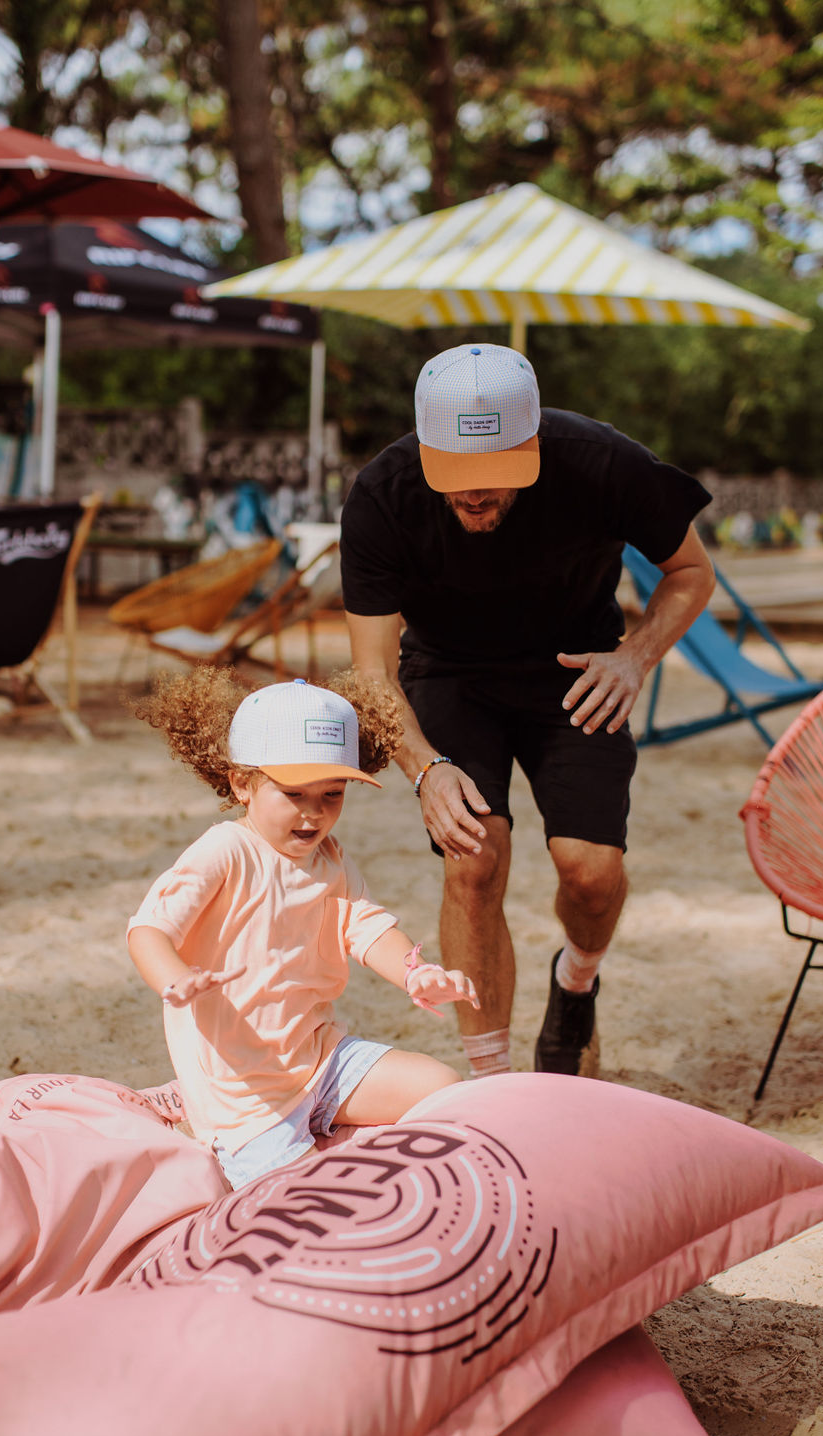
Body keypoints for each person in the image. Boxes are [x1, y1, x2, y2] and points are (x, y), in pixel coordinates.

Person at [339, 342, 716, 1080]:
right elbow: (371, 671)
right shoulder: (382, 496)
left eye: (495, 473)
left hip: (578, 669)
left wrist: (635, 657)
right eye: (457, 474)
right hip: (449, 673)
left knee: (590, 871)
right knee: (474, 858)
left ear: (533, 443)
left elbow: (691, 572)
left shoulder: (603, 464)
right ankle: (496, 1087)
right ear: (427, 447)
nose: (475, 494)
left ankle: (576, 983)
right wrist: (425, 770)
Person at [127, 669, 478, 1190]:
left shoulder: (330, 857)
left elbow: (367, 926)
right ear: (242, 784)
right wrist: (175, 979)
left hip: (321, 1059)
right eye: (294, 793)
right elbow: (149, 930)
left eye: (332, 794)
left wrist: (416, 973)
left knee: (442, 1087)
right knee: (304, 1198)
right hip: (245, 1097)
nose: (314, 814)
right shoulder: (226, 851)